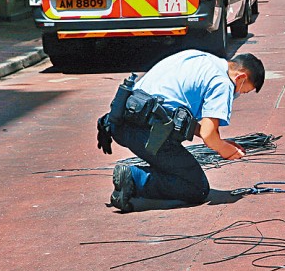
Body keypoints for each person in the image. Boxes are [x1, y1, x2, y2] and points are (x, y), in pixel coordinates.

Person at [101, 50, 266, 212]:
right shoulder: (222, 82)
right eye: (243, 90)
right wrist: (226, 150)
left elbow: (179, 115)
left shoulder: (199, 57)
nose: (238, 93)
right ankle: (133, 178)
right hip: (147, 133)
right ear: (241, 77)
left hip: (120, 120)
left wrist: (220, 142)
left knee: (176, 164)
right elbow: (209, 136)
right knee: (196, 188)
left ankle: (139, 179)